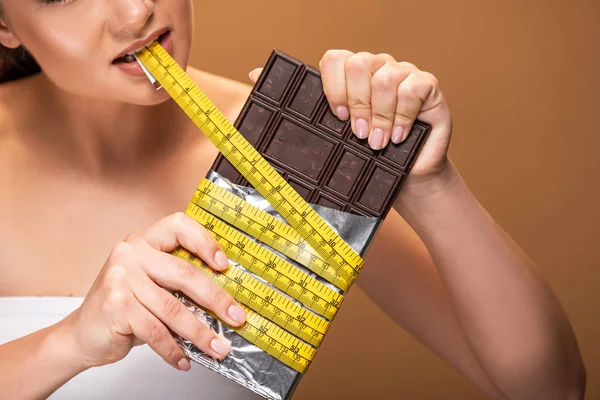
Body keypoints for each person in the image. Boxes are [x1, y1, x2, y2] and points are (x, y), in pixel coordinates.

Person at [0, 1, 586, 399]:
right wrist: (70, 341)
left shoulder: (285, 149)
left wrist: (430, 184)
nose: (136, 10)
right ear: (5, 25)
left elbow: (549, 388)